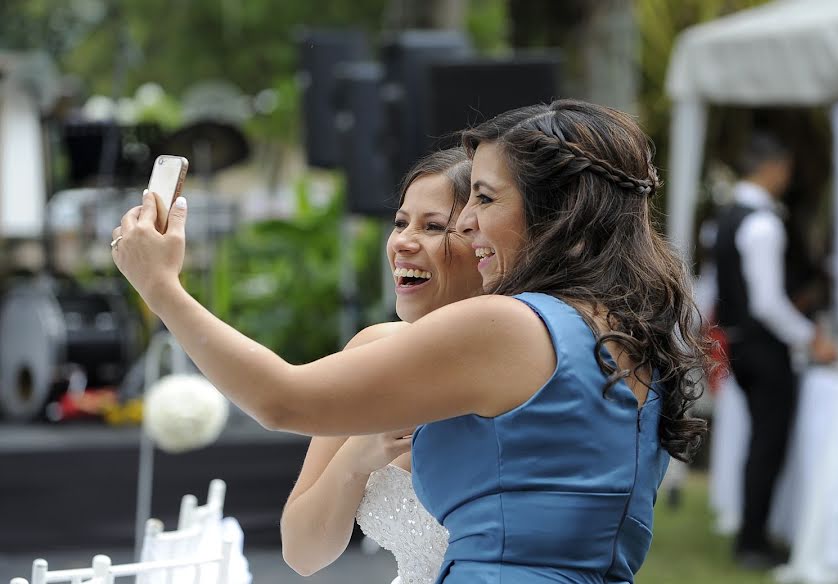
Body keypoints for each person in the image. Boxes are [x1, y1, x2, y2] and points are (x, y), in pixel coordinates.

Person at [110, 99, 709, 583]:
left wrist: (162, 288)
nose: (468, 220)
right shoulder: (627, 334)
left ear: (557, 213)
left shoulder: (507, 325)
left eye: (484, 198)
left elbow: (281, 400)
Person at [279, 148, 480, 582]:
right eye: (401, 222)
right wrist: (357, 456)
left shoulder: (525, 361)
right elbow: (302, 553)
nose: (403, 242)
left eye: (433, 226)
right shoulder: (374, 351)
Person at [713, 132, 838, 569]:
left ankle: (756, 534)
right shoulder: (762, 223)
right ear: (772, 168)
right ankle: (753, 543)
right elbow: (766, 302)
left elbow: (721, 290)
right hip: (765, 352)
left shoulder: (726, 217)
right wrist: (811, 337)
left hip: (739, 346)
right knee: (769, 447)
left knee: (760, 445)